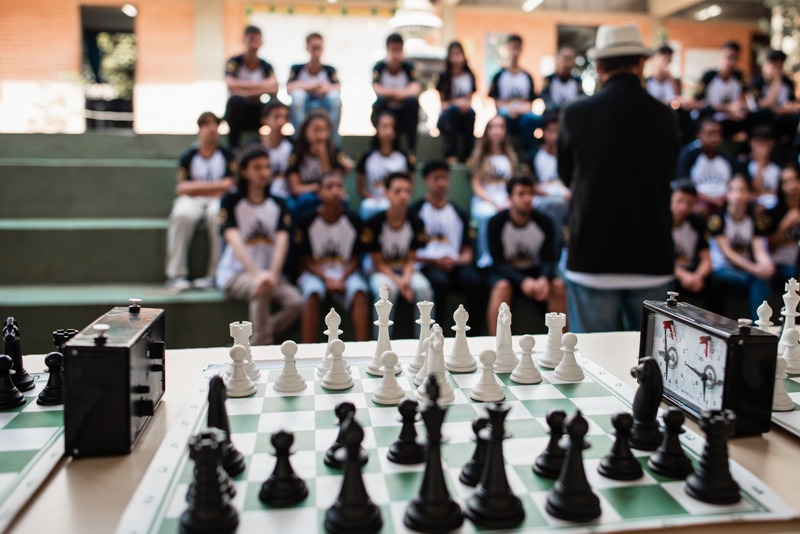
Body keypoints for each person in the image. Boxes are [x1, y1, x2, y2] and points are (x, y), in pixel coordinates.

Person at [559, 24, 680, 333]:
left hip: (592, 255)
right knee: (652, 367)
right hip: (651, 256)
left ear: (599, 68)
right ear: (640, 63)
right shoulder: (664, 115)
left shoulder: (575, 113)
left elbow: (566, 174)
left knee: (593, 365)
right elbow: (670, 171)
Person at [215, 146, 302, 345]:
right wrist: (257, 274)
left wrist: (272, 273)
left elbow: (282, 241)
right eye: (257, 167)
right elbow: (234, 239)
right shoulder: (231, 201)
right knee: (259, 289)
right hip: (235, 273)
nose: (264, 172)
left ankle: (251, 343)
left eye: (267, 167)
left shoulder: (279, 204)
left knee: (296, 302)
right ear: (244, 171)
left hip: (270, 273)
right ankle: (262, 346)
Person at [410, 160, 485, 332]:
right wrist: (434, 260)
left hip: (454, 264)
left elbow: (467, 252)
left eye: (445, 178)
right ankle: (437, 334)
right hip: (427, 264)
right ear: (426, 181)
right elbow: (410, 252)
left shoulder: (459, 212)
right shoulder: (416, 211)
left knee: (476, 282)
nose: (441, 183)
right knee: (439, 283)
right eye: (436, 178)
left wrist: (456, 261)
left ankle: (472, 335)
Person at [295, 171, 370, 343]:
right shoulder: (307, 220)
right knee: (312, 293)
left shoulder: (354, 219)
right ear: (319, 193)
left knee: (359, 293)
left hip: (346, 273)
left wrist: (342, 277)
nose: (335, 191)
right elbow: (305, 259)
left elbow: (356, 257)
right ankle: (308, 350)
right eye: (329, 187)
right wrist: (326, 278)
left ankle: (363, 347)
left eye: (339, 186)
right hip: (316, 273)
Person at [166, 112, 235, 291]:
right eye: (207, 124)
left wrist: (197, 186)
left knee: (216, 215)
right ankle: (176, 275)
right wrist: (215, 186)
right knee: (181, 214)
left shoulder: (227, 154)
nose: (212, 129)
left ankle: (215, 275)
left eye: (215, 125)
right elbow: (181, 188)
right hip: (192, 200)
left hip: (217, 200)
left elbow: (230, 185)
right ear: (200, 128)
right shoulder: (189, 156)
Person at [485, 176, 563, 335]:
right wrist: (521, 281)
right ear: (509, 198)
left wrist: (543, 278)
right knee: (502, 287)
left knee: (558, 286)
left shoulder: (544, 221)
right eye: (521, 194)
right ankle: (496, 343)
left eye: (530, 194)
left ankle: (562, 345)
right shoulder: (496, 222)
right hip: (507, 272)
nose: (527, 199)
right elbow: (497, 262)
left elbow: (550, 257)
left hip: (535, 271)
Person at [360, 172, 433, 320]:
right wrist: (399, 283)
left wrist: (405, 279)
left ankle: (426, 339)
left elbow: (411, 258)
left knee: (424, 289)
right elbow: (377, 262)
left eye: (407, 191)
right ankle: (381, 340)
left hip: (406, 269)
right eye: (398, 191)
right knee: (386, 291)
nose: (403, 196)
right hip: (381, 271)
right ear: (386, 193)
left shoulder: (416, 222)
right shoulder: (374, 223)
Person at [707, 175, 774, 319]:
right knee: (755, 276)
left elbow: (759, 249)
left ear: (749, 195)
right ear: (727, 194)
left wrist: (766, 264)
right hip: (722, 270)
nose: (737, 195)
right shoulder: (718, 219)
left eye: (742, 190)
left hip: (744, 271)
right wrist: (755, 268)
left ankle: (760, 326)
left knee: (762, 277)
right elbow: (727, 253)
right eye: (733, 190)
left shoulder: (752, 220)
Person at [470, 114, 521, 267]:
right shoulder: (480, 157)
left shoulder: (511, 157)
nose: (496, 131)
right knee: (489, 215)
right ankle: (486, 255)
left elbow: (513, 185)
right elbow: (477, 186)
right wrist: (493, 202)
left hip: (506, 199)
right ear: (487, 131)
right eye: (492, 127)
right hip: (485, 200)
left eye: (500, 127)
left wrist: (508, 201)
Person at [286, 110, 351, 217]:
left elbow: (332, 183)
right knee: (304, 201)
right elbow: (295, 188)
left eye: (324, 130)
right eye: (316, 130)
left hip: (329, 194)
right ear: (305, 130)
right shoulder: (297, 152)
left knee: (341, 201)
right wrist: (317, 188)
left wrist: (323, 155)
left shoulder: (334, 152)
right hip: (305, 195)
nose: (320, 135)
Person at [224, 26, 278, 148]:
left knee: (274, 103)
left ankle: (273, 143)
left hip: (257, 114)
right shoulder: (234, 62)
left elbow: (274, 87)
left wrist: (244, 91)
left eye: (257, 40)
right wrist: (261, 88)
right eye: (251, 40)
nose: (254, 45)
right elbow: (231, 85)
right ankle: (233, 147)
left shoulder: (266, 66)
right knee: (235, 101)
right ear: (244, 40)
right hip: (237, 114)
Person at [488, 34, 540, 160]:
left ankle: (529, 156)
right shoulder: (499, 76)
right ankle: (508, 153)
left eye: (518, 47)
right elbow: (495, 102)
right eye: (513, 47)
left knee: (534, 119)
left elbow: (530, 103)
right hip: (505, 114)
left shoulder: (527, 76)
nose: (515, 51)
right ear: (508, 48)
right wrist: (510, 109)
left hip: (523, 115)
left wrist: (519, 110)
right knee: (503, 118)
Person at [356, 111, 415, 221]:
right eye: (385, 126)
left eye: (392, 126)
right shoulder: (367, 157)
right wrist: (373, 198)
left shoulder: (404, 157)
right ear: (377, 128)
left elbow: (411, 185)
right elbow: (360, 188)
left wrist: (400, 197)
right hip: (375, 202)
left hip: (398, 200)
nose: (389, 131)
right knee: (367, 206)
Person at [286, 33, 342, 145]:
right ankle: (302, 138)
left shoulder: (329, 69)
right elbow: (289, 88)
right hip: (306, 103)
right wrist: (314, 86)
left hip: (323, 103)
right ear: (307, 48)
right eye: (314, 47)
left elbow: (337, 88)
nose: (317, 51)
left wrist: (320, 88)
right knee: (297, 97)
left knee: (336, 99)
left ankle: (332, 141)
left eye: (319, 47)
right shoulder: (297, 68)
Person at [371, 33, 422, 154]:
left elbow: (415, 89)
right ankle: (377, 145)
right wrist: (401, 93)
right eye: (393, 50)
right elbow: (377, 89)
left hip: (404, 114)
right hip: (386, 111)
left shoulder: (409, 68)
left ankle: (411, 149)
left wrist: (391, 94)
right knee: (380, 102)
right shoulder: (379, 67)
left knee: (412, 103)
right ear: (387, 50)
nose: (396, 55)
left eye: (399, 50)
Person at [675, 117, 733, 216]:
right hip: (698, 200)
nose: (715, 138)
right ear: (699, 134)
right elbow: (683, 184)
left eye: (718, 133)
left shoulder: (726, 157)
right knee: (699, 210)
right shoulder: (689, 155)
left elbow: (736, 181)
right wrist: (710, 200)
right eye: (710, 133)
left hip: (725, 199)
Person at [531, 112, 570, 254]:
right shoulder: (534, 156)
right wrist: (557, 193)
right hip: (543, 200)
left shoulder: (568, 156)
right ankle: (553, 252)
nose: (554, 137)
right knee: (556, 205)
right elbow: (534, 186)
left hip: (567, 200)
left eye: (558, 132)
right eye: (551, 131)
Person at [693, 41, 748, 138]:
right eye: (728, 57)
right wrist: (727, 108)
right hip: (711, 116)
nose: (731, 62)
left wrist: (739, 110)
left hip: (731, 119)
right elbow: (698, 102)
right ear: (720, 56)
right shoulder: (708, 76)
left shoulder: (739, 77)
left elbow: (744, 99)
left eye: (735, 58)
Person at [436, 41, 477, 163]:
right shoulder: (443, 77)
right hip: (447, 119)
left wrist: (463, 104)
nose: (457, 58)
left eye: (459, 54)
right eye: (453, 54)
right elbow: (443, 104)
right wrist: (456, 103)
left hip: (464, 117)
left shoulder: (469, 76)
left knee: (471, 113)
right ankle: (451, 154)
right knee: (453, 111)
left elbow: (469, 101)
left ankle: (468, 155)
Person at [749, 49, 800, 146]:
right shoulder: (756, 82)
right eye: (773, 65)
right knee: (766, 113)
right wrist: (776, 84)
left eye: (779, 66)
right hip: (761, 119)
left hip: (781, 117)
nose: (776, 70)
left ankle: (790, 148)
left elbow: (794, 105)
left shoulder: (787, 82)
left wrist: (777, 109)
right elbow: (761, 105)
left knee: (795, 117)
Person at [671, 179, 712, 297]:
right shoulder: (662, 221)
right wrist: (683, 275)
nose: (683, 207)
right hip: (670, 273)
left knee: (716, 284)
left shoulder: (697, 222)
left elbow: (707, 259)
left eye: (689, 203)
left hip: (691, 271)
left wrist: (698, 276)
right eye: (679, 201)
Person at [646, 45, 694, 144]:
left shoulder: (673, 81)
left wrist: (671, 79)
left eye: (668, 60)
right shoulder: (647, 82)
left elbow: (677, 97)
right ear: (656, 59)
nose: (666, 63)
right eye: (663, 59)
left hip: (672, 112)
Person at [764, 162, 800, 283]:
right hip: (780, 265)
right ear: (781, 187)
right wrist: (785, 224)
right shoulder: (772, 213)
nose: (792, 186)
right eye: (786, 182)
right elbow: (770, 247)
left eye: (795, 179)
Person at [737, 124, 781, 212]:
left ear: (771, 143)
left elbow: (778, 193)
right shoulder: (742, 165)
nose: (762, 146)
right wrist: (760, 164)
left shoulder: (778, 167)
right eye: (758, 142)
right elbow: (753, 191)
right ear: (750, 142)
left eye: (765, 142)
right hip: (751, 208)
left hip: (775, 208)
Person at [253, 100, 293, 199]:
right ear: (264, 119)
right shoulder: (254, 147)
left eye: (285, 117)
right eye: (276, 117)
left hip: (285, 197)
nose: (281, 122)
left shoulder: (292, 147)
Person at [541, 46, 584, 112]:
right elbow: (546, 101)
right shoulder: (549, 80)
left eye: (570, 59)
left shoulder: (577, 82)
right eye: (564, 58)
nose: (566, 63)